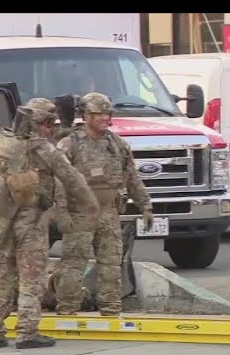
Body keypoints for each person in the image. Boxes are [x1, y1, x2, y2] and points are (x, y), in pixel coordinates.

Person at [0, 98, 99, 349]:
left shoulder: (4, 142)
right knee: (32, 278)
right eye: (48, 123)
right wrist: (91, 205)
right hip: (31, 223)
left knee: (3, 277)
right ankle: (27, 333)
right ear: (40, 123)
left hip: (2, 221)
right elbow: (72, 178)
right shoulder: (44, 149)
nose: (51, 129)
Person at [52, 92, 154, 316]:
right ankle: (67, 308)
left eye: (107, 113)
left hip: (108, 213)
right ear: (85, 116)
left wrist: (145, 206)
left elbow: (132, 177)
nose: (104, 118)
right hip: (79, 214)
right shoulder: (69, 144)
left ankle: (111, 308)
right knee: (73, 264)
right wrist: (62, 213)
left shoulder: (117, 145)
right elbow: (58, 182)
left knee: (110, 264)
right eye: (98, 114)